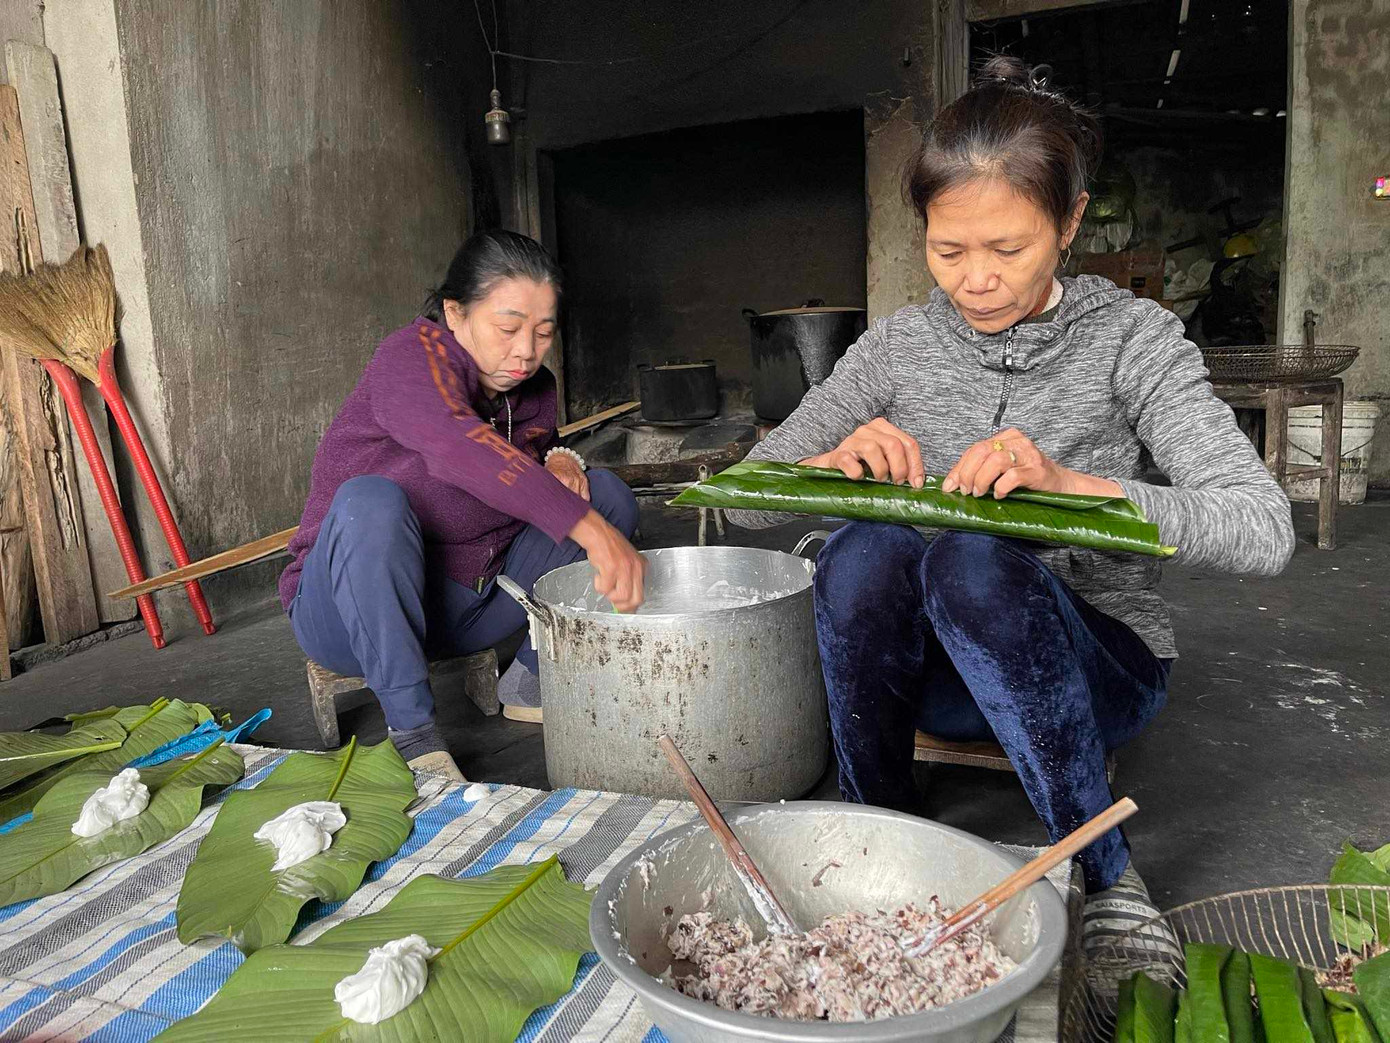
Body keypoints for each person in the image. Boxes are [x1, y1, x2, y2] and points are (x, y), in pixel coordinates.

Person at [728, 58, 1293, 953]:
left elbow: (1263, 527)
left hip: (1095, 674)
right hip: (936, 685)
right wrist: (826, 467)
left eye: (1008, 249)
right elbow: (745, 503)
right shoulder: (900, 346)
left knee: (972, 559)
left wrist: (1074, 486)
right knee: (863, 547)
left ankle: (1108, 875)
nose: (975, 280)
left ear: (1069, 223)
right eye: (948, 251)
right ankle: (878, 826)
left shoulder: (1133, 341)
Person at [280, 230, 646, 781]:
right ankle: (414, 736)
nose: (525, 351)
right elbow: (459, 444)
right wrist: (588, 530)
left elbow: (531, 453)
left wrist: (562, 458)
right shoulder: (409, 358)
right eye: (508, 329)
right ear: (455, 313)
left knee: (608, 495)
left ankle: (532, 679)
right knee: (369, 502)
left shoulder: (532, 387)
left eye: (543, 333)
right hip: (351, 613)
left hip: (469, 608)